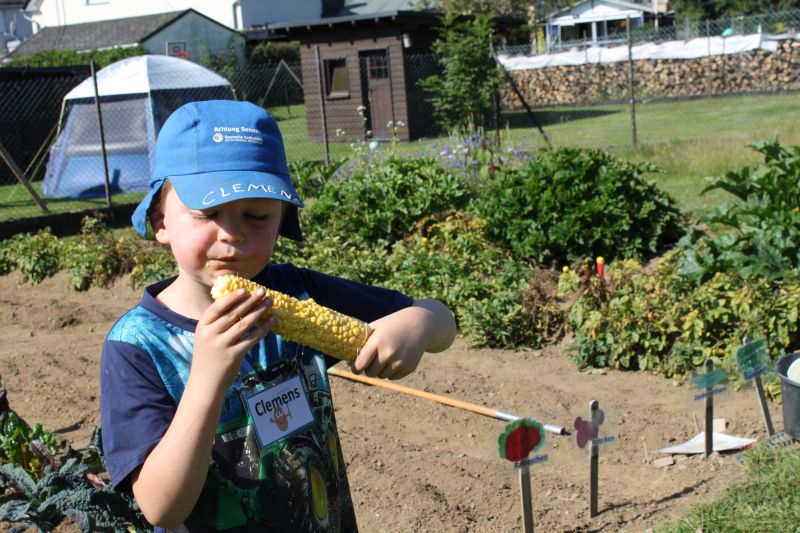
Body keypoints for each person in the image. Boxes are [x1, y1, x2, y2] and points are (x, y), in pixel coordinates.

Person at [100, 100, 457, 532]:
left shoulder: (299, 292)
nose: (231, 234)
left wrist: (417, 324)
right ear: (160, 220)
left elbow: (443, 321)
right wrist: (208, 378)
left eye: (256, 215)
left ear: (281, 218)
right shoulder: (137, 346)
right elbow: (162, 508)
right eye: (207, 214)